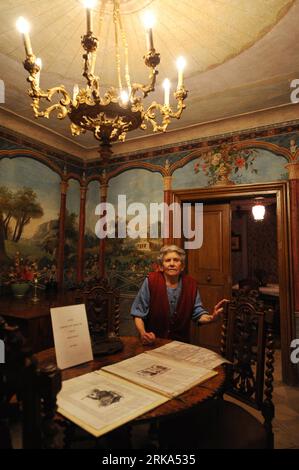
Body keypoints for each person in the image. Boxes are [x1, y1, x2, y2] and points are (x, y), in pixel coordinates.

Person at [131, 244, 229, 345]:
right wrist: (143, 333)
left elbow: (198, 313)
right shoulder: (151, 281)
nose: (172, 264)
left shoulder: (191, 284)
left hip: (179, 344)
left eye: (176, 260)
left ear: (182, 266)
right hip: (153, 342)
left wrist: (211, 318)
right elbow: (138, 313)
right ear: (161, 266)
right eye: (167, 260)